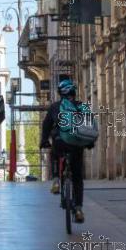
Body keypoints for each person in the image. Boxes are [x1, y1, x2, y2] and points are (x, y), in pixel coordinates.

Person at [39, 79, 88, 223]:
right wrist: (89, 142)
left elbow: (46, 125)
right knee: (77, 177)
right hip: (76, 144)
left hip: (60, 141)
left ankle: (55, 179)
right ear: (74, 92)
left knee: (55, 153)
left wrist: (44, 141)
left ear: (60, 93)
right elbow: (90, 125)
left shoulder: (55, 106)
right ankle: (78, 208)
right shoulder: (81, 106)